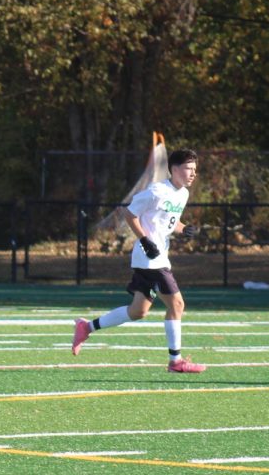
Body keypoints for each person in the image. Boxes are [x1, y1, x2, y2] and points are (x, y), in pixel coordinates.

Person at [71, 148, 205, 373]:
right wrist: (145, 240)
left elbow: (168, 223)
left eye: (195, 170)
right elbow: (129, 214)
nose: (193, 174)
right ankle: (176, 361)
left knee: (138, 311)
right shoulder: (156, 191)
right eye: (188, 169)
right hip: (150, 260)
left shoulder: (182, 194)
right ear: (174, 169)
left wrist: (184, 229)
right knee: (177, 304)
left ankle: (87, 327)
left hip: (156, 258)